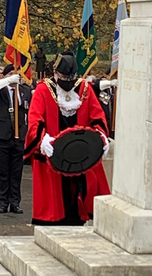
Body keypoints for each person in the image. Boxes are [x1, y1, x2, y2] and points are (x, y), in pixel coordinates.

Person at [24, 52, 110, 226]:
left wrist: (101, 136)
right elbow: (35, 121)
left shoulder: (84, 89)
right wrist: (43, 141)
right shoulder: (43, 89)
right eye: (63, 77)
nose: (67, 81)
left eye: (70, 77)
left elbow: (98, 117)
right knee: (55, 202)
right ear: (56, 73)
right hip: (52, 155)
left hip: (80, 155)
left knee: (81, 193)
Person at [0, 64, 32, 214]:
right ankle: (2, 202)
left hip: (19, 136)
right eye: (11, 73)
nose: (15, 76)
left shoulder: (24, 91)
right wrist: (7, 81)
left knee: (16, 172)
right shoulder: (0, 89)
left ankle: (15, 202)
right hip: (2, 135)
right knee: (3, 171)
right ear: (5, 76)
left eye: (16, 74)